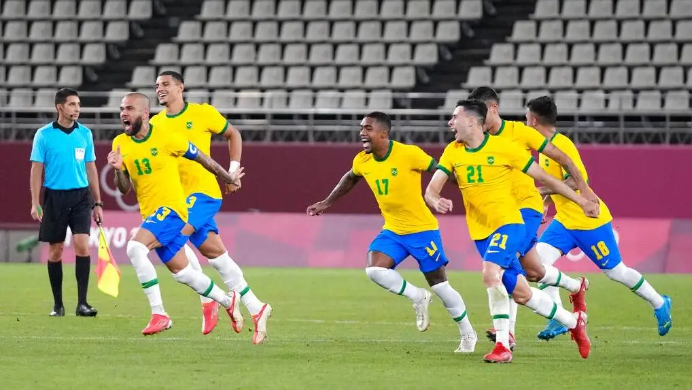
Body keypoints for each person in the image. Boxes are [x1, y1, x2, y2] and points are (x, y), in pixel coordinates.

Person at [425, 100, 596, 363]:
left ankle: (503, 346)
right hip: (481, 232)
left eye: (454, 116)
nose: (450, 122)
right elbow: (431, 189)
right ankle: (573, 323)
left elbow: (546, 178)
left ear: (472, 121)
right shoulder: (452, 151)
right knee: (522, 292)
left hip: (510, 222)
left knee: (490, 271)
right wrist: (435, 200)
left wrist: (582, 200)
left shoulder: (505, 148)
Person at [306, 112, 478, 353]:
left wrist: (470, 189)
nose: (362, 133)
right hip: (394, 230)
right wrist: (327, 202)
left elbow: (441, 172)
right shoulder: (362, 160)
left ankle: (467, 333)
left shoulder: (409, 153)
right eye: (361, 128)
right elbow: (350, 177)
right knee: (375, 269)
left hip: (423, 231)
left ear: (383, 134)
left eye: (367, 128)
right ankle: (417, 296)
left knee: (440, 286)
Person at [526, 96, 673, 339]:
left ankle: (659, 302)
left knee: (616, 272)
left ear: (532, 120)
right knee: (539, 265)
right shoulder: (543, 146)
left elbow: (578, 180)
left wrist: (541, 192)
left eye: (525, 117)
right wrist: (546, 203)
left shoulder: (561, 145)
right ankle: (558, 318)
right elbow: (557, 183)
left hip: (588, 220)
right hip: (564, 221)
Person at [467, 87, 594, 350]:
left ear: (493, 109)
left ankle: (507, 335)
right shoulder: (478, 141)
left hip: (525, 209)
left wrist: (585, 192)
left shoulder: (520, 132)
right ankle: (575, 285)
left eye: (480, 113)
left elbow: (564, 159)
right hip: (501, 213)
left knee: (503, 264)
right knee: (533, 272)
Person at [108, 92, 244, 335]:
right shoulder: (120, 143)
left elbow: (203, 159)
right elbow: (125, 188)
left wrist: (228, 176)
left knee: (135, 248)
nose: (123, 113)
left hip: (173, 210)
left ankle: (159, 313)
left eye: (129, 108)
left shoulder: (167, 137)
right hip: (151, 214)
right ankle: (227, 300)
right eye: (122, 109)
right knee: (182, 274)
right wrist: (118, 170)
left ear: (145, 114)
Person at [151, 70, 272, 344]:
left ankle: (212, 299)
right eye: (157, 85)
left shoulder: (203, 113)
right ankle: (256, 306)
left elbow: (233, 134)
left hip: (203, 193)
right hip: (177, 199)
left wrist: (231, 172)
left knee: (172, 240)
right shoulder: (156, 124)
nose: (160, 89)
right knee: (216, 256)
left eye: (166, 84)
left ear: (180, 87)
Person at [29, 88, 102, 317]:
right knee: (56, 251)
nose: (77, 109)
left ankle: (82, 304)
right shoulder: (44, 135)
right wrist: (35, 202)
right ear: (59, 107)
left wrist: (98, 202)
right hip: (55, 197)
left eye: (78, 104)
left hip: (81, 197)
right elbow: (36, 170)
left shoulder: (85, 134)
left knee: (82, 245)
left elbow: (91, 168)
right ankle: (58, 305)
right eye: (72, 104)